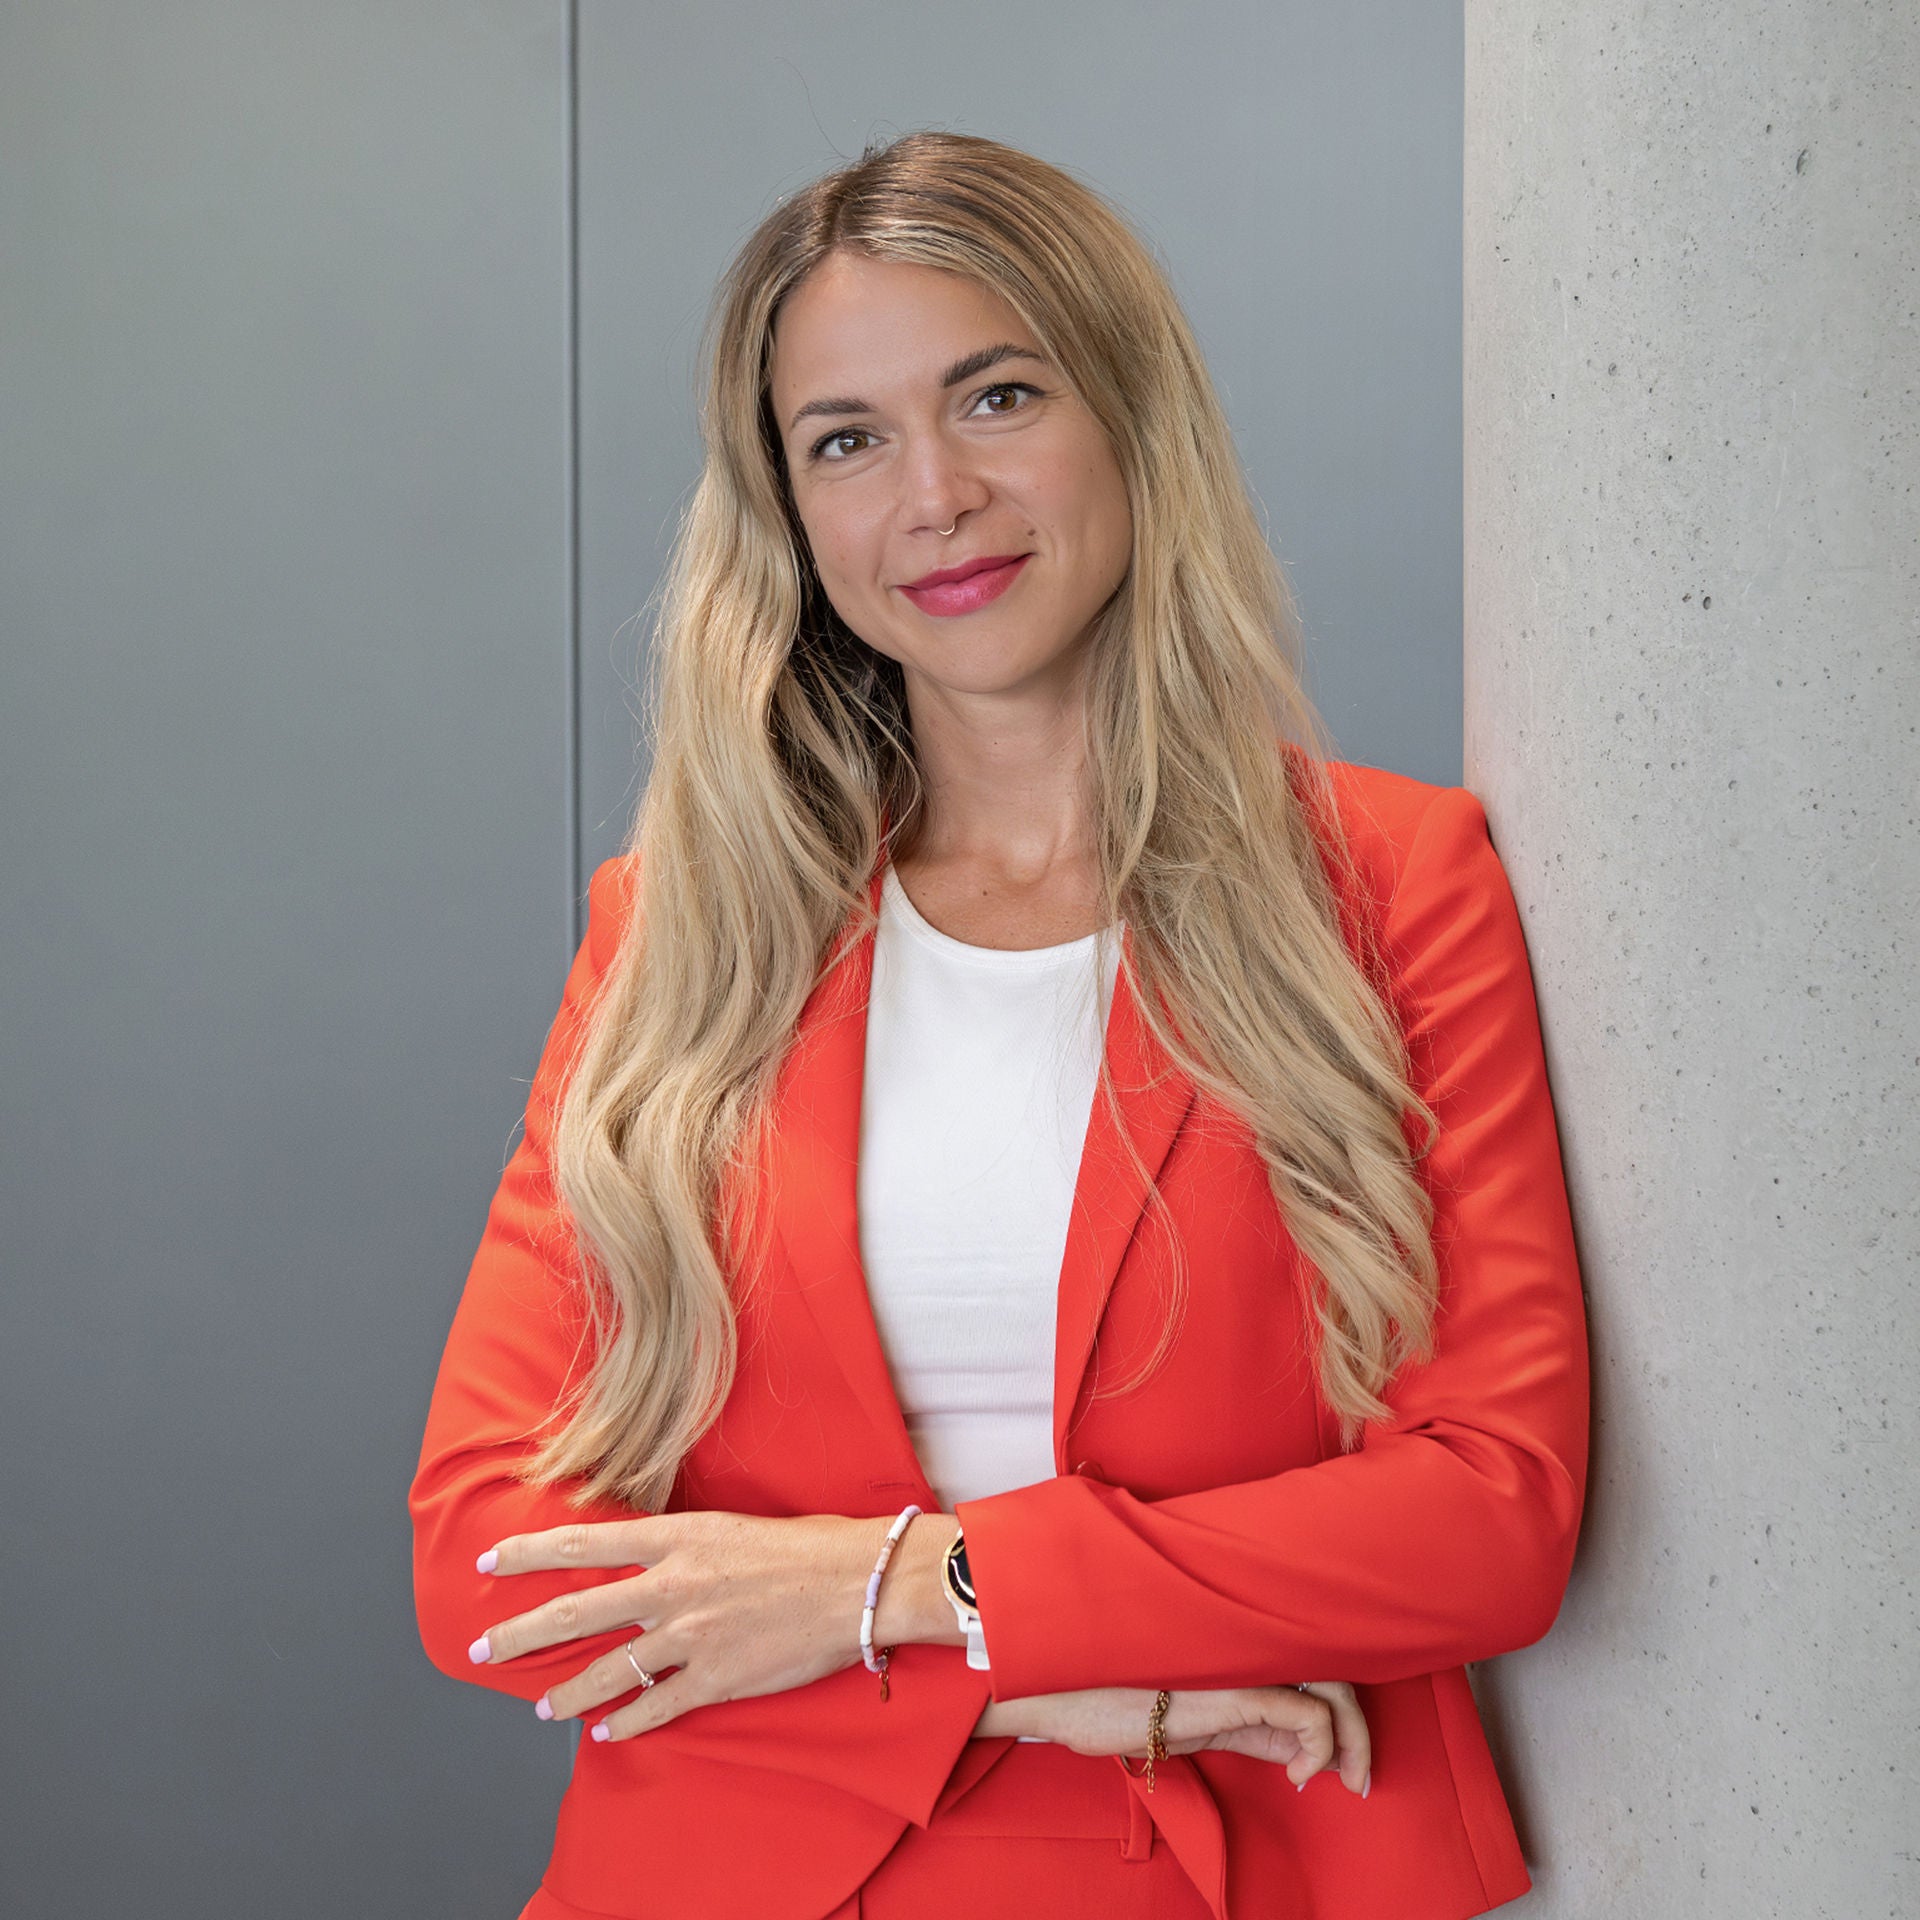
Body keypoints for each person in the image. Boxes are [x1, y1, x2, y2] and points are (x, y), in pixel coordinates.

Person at [409, 130, 1590, 1920]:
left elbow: (1487, 1518)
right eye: (847, 441)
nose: (936, 496)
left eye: (998, 396)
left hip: (1228, 1871)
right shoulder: (680, 938)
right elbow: (485, 1564)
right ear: (791, 514)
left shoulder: (1391, 885)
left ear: (1129, 414)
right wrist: (1029, 1682)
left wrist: (902, 1591)